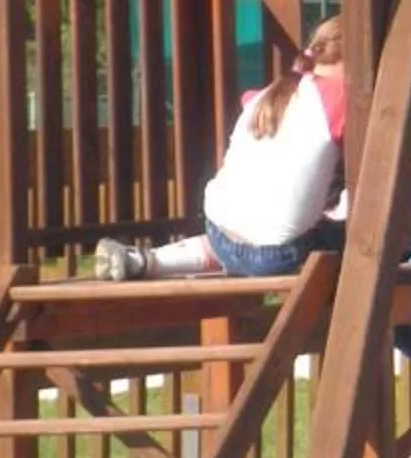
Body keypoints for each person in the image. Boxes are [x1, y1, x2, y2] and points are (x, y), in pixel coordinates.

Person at [95, 18, 346, 280]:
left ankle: (145, 261)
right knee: (353, 227)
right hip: (279, 255)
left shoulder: (272, 92)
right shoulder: (343, 96)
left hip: (221, 232)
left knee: (241, 238)